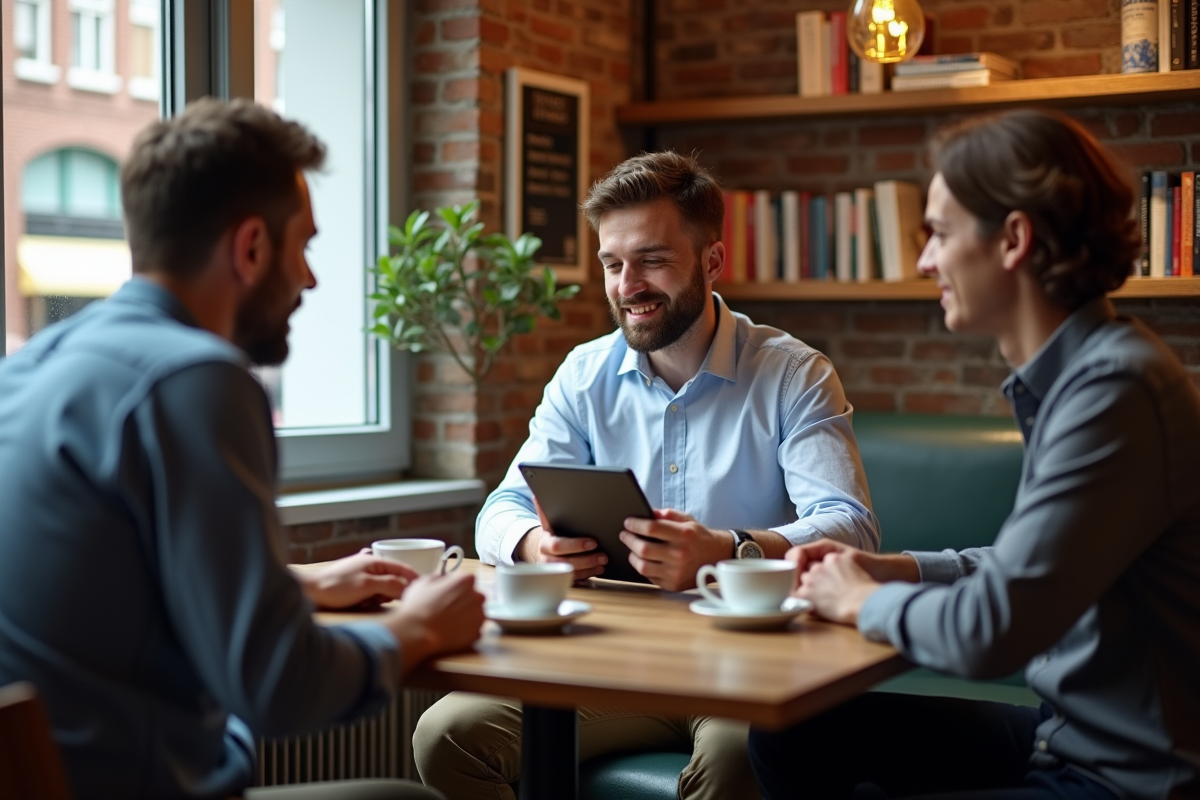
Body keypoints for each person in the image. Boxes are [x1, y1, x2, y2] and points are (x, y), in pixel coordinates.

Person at [0, 99, 486, 800]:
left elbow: (104, 587)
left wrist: (303, 583)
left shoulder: (27, 370)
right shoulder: (196, 379)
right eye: (305, 248)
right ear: (252, 247)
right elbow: (278, 685)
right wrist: (416, 630)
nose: (311, 280)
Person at [749, 109, 1200, 800]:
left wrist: (862, 600)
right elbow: (1025, 570)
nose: (926, 259)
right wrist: (888, 569)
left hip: (1124, 777)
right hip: (1062, 731)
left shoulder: (1115, 388)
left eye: (940, 233)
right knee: (795, 729)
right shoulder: (1084, 375)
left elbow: (994, 628)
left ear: (1014, 238)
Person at [414, 151, 880, 800]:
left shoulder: (793, 374)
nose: (627, 284)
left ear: (711, 262)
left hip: (750, 660)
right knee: (447, 737)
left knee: (736, 760)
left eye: (652, 260)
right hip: (609, 654)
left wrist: (731, 550)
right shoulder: (583, 373)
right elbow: (503, 504)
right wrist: (535, 546)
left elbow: (853, 529)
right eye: (612, 264)